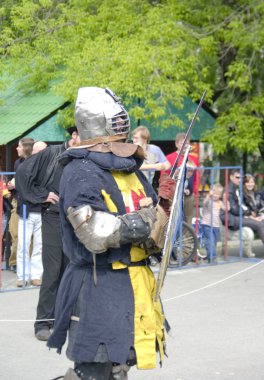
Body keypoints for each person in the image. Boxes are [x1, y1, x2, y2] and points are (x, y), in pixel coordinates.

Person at [47, 87, 174, 380]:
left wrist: (163, 209)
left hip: (135, 282)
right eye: (114, 119)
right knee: (94, 371)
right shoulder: (80, 171)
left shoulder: (131, 167)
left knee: (121, 367)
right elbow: (94, 231)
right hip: (98, 283)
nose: (121, 124)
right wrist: (146, 219)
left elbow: (151, 222)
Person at [15, 127, 79, 341]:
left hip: (77, 219)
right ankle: (43, 322)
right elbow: (24, 174)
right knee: (52, 270)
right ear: (74, 135)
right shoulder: (52, 153)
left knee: (71, 269)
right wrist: (43, 195)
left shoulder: (87, 156)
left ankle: (64, 319)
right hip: (53, 216)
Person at [220, 169, 264, 257]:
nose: (239, 179)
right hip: (231, 219)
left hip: (235, 217)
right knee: (259, 224)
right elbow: (234, 209)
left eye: (241, 177)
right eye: (237, 177)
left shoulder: (234, 187)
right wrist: (249, 214)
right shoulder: (229, 190)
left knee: (260, 222)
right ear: (231, 177)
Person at [7, 137, 35, 271]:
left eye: (19, 146)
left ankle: (26, 264)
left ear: (25, 148)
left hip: (31, 203)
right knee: (15, 233)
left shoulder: (35, 162)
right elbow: (15, 179)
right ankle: (14, 263)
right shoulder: (18, 162)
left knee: (30, 237)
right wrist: (11, 185)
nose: (17, 149)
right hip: (17, 201)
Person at [161, 132, 200, 225]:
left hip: (188, 194)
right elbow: (163, 175)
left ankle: (187, 238)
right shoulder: (169, 158)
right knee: (173, 218)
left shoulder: (194, 159)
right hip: (173, 194)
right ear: (177, 144)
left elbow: (197, 176)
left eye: (187, 143)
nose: (185, 145)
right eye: (183, 143)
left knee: (188, 219)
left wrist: (194, 191)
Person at [201, 183, 225, 262]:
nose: (215, 195)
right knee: (210, 240)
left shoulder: (220, 203)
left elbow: (226, 209)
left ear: (220, 195)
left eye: (217, 194)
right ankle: (212, 257)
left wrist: (225, 200)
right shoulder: (209, 201)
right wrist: (208, 195)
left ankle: (209, 255)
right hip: (207, 224)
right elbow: (205, 203)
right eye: (214, 193)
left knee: (213, 242)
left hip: (216, 225)